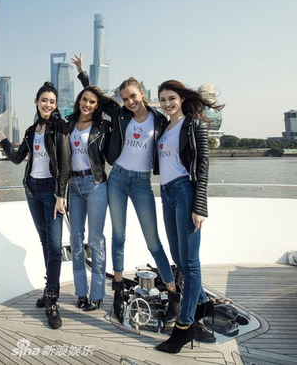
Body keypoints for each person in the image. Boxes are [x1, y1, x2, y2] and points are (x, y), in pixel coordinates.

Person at [72, 54, 176, 323]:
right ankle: (118, 290)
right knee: (118, 237)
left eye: (133, 96)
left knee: (153, 241)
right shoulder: (120, 115)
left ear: (142, 93)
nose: (130, 101)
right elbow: (97, 97)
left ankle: (174, 293)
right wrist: (82, 73)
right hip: (117, 179)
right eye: (125, 98)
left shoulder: (159, 120)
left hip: (141, 183)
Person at [0, 82, 71, 330]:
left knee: (55, 246)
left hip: (51, 192)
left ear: (55, 105)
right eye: (44, 100)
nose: (48, 105)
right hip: (32, 190)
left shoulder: (60, 128)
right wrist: (3, 140)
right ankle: (49, 289)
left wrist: (61, 195)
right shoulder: (30, 131)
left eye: (52, 101)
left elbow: (65, 164)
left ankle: (52, 300)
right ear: (36, 102)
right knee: (44, 241)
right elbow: (18, 159)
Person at [154, 80, 223, 353]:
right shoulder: (164, 126)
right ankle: (203, 305)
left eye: (171, 98)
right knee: (178, 258)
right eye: (162, 99)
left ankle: (184, 327)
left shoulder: (194, 124)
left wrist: (200, 206)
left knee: (190, 262)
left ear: (181, 98)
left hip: (185, 191)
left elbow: (203, 165)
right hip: (166, 193)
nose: (167, 103)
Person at [65, 82, 118, 311]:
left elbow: (116, 111)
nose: (87, 104)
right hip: (73, 185)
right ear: (79, 101)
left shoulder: (102, 127)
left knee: (96, 240)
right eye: (84, 99)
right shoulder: (68, 124)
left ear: (98, 106)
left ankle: (97, 294)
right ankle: (80, 292)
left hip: (95, 184)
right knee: (76, 239)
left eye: (92, 102)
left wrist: (85, 78)